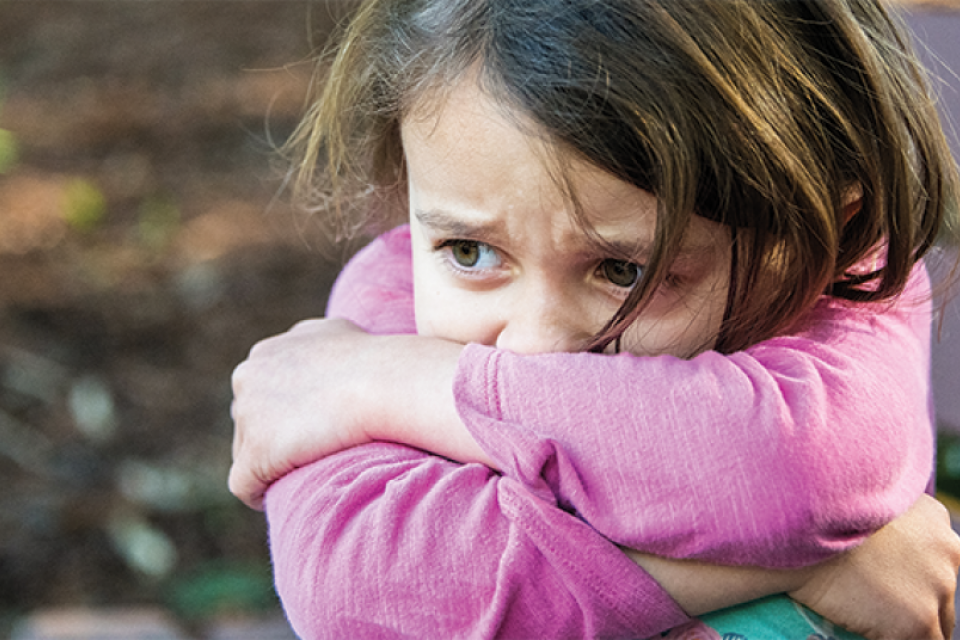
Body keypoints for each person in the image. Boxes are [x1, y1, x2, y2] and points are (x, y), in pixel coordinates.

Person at [229, 0, 960, 638]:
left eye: (624, 271)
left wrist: (406, 386)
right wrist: (802, 568)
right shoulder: (384, 297)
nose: (538, 346)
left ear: (817, 228)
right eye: (470, 252)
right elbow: (360, 589)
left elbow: (794, 468)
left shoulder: (841, 286)